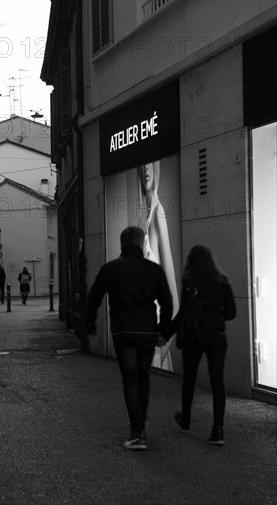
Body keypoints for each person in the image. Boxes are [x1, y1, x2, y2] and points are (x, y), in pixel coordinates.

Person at [86, 226, 173, 451]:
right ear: (143, 243)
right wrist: (163, 331)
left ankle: (137, 431)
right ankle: (141, 422)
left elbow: (93, 298)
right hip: (147, 331)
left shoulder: (110, 269)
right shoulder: (154, 270)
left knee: (130, 379)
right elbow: (167, 303)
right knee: (144, 377)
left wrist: (90, 323)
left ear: (122, 243)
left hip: (123, 331)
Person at [158, 245, 236, 445]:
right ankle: (218, 431)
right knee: (217, 382)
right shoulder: (222, 281)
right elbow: (231, 313)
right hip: (217, 337)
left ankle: (185, 419)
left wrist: (165, 334)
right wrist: (216, 316)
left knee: (189, 379)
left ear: (191, 262)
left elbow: (183, 313)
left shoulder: (189, 281)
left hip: (194, 337)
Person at [137, 161, 180, 370]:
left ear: (157, 168)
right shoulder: (144, 217)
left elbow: (174, 297)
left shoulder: (157, 213)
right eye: (142, 165)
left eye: (150, 164)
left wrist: (162, 352)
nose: (146, 169)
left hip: (156, 342)